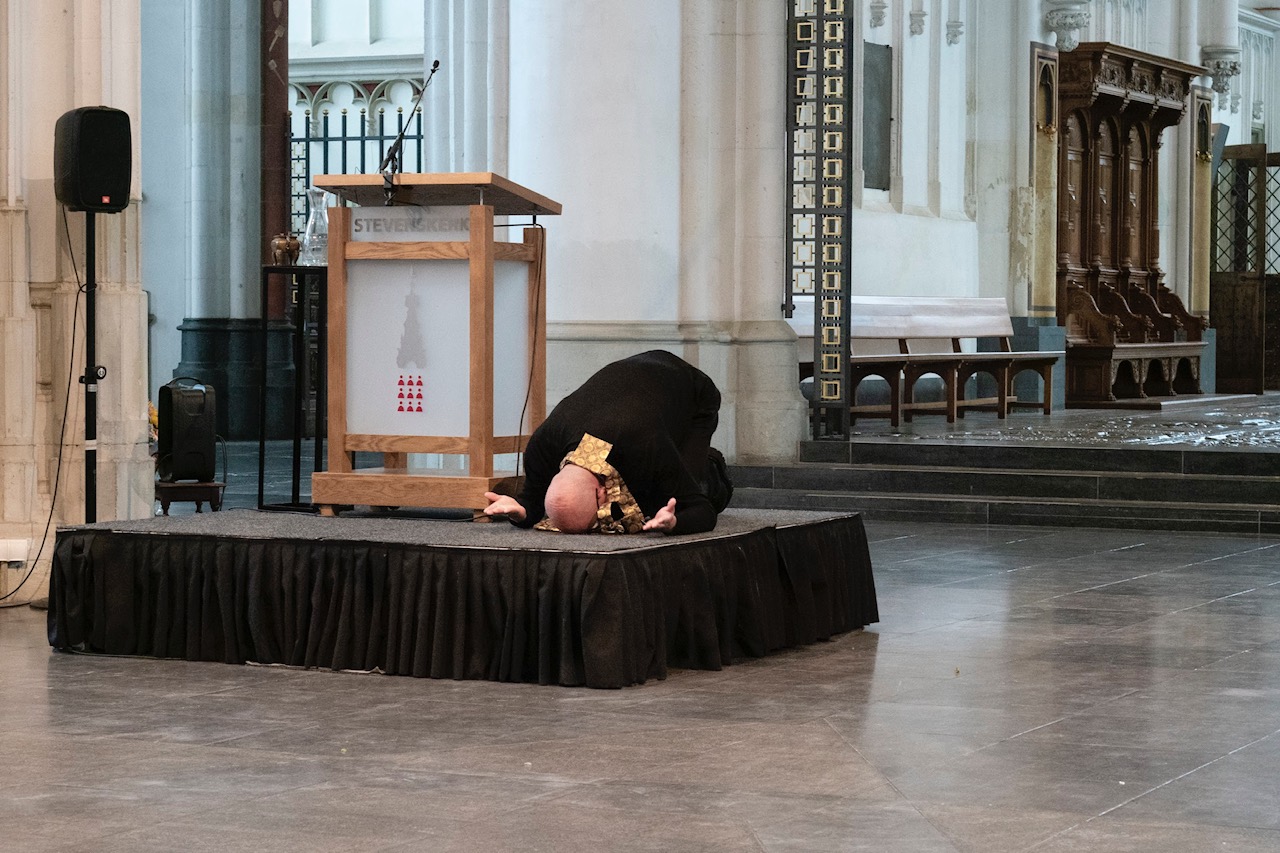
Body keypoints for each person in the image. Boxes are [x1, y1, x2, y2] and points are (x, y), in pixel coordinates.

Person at [483, 350, 733, 535]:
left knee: (667, 502)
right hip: (632, 400)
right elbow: (532, 499)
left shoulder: (646, 444)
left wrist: (674, 523)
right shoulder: (543, 446)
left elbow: (702, 512)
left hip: (692, 392)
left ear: (601, 492)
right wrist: (521, 512)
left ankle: (713, 469)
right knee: (641, 504)